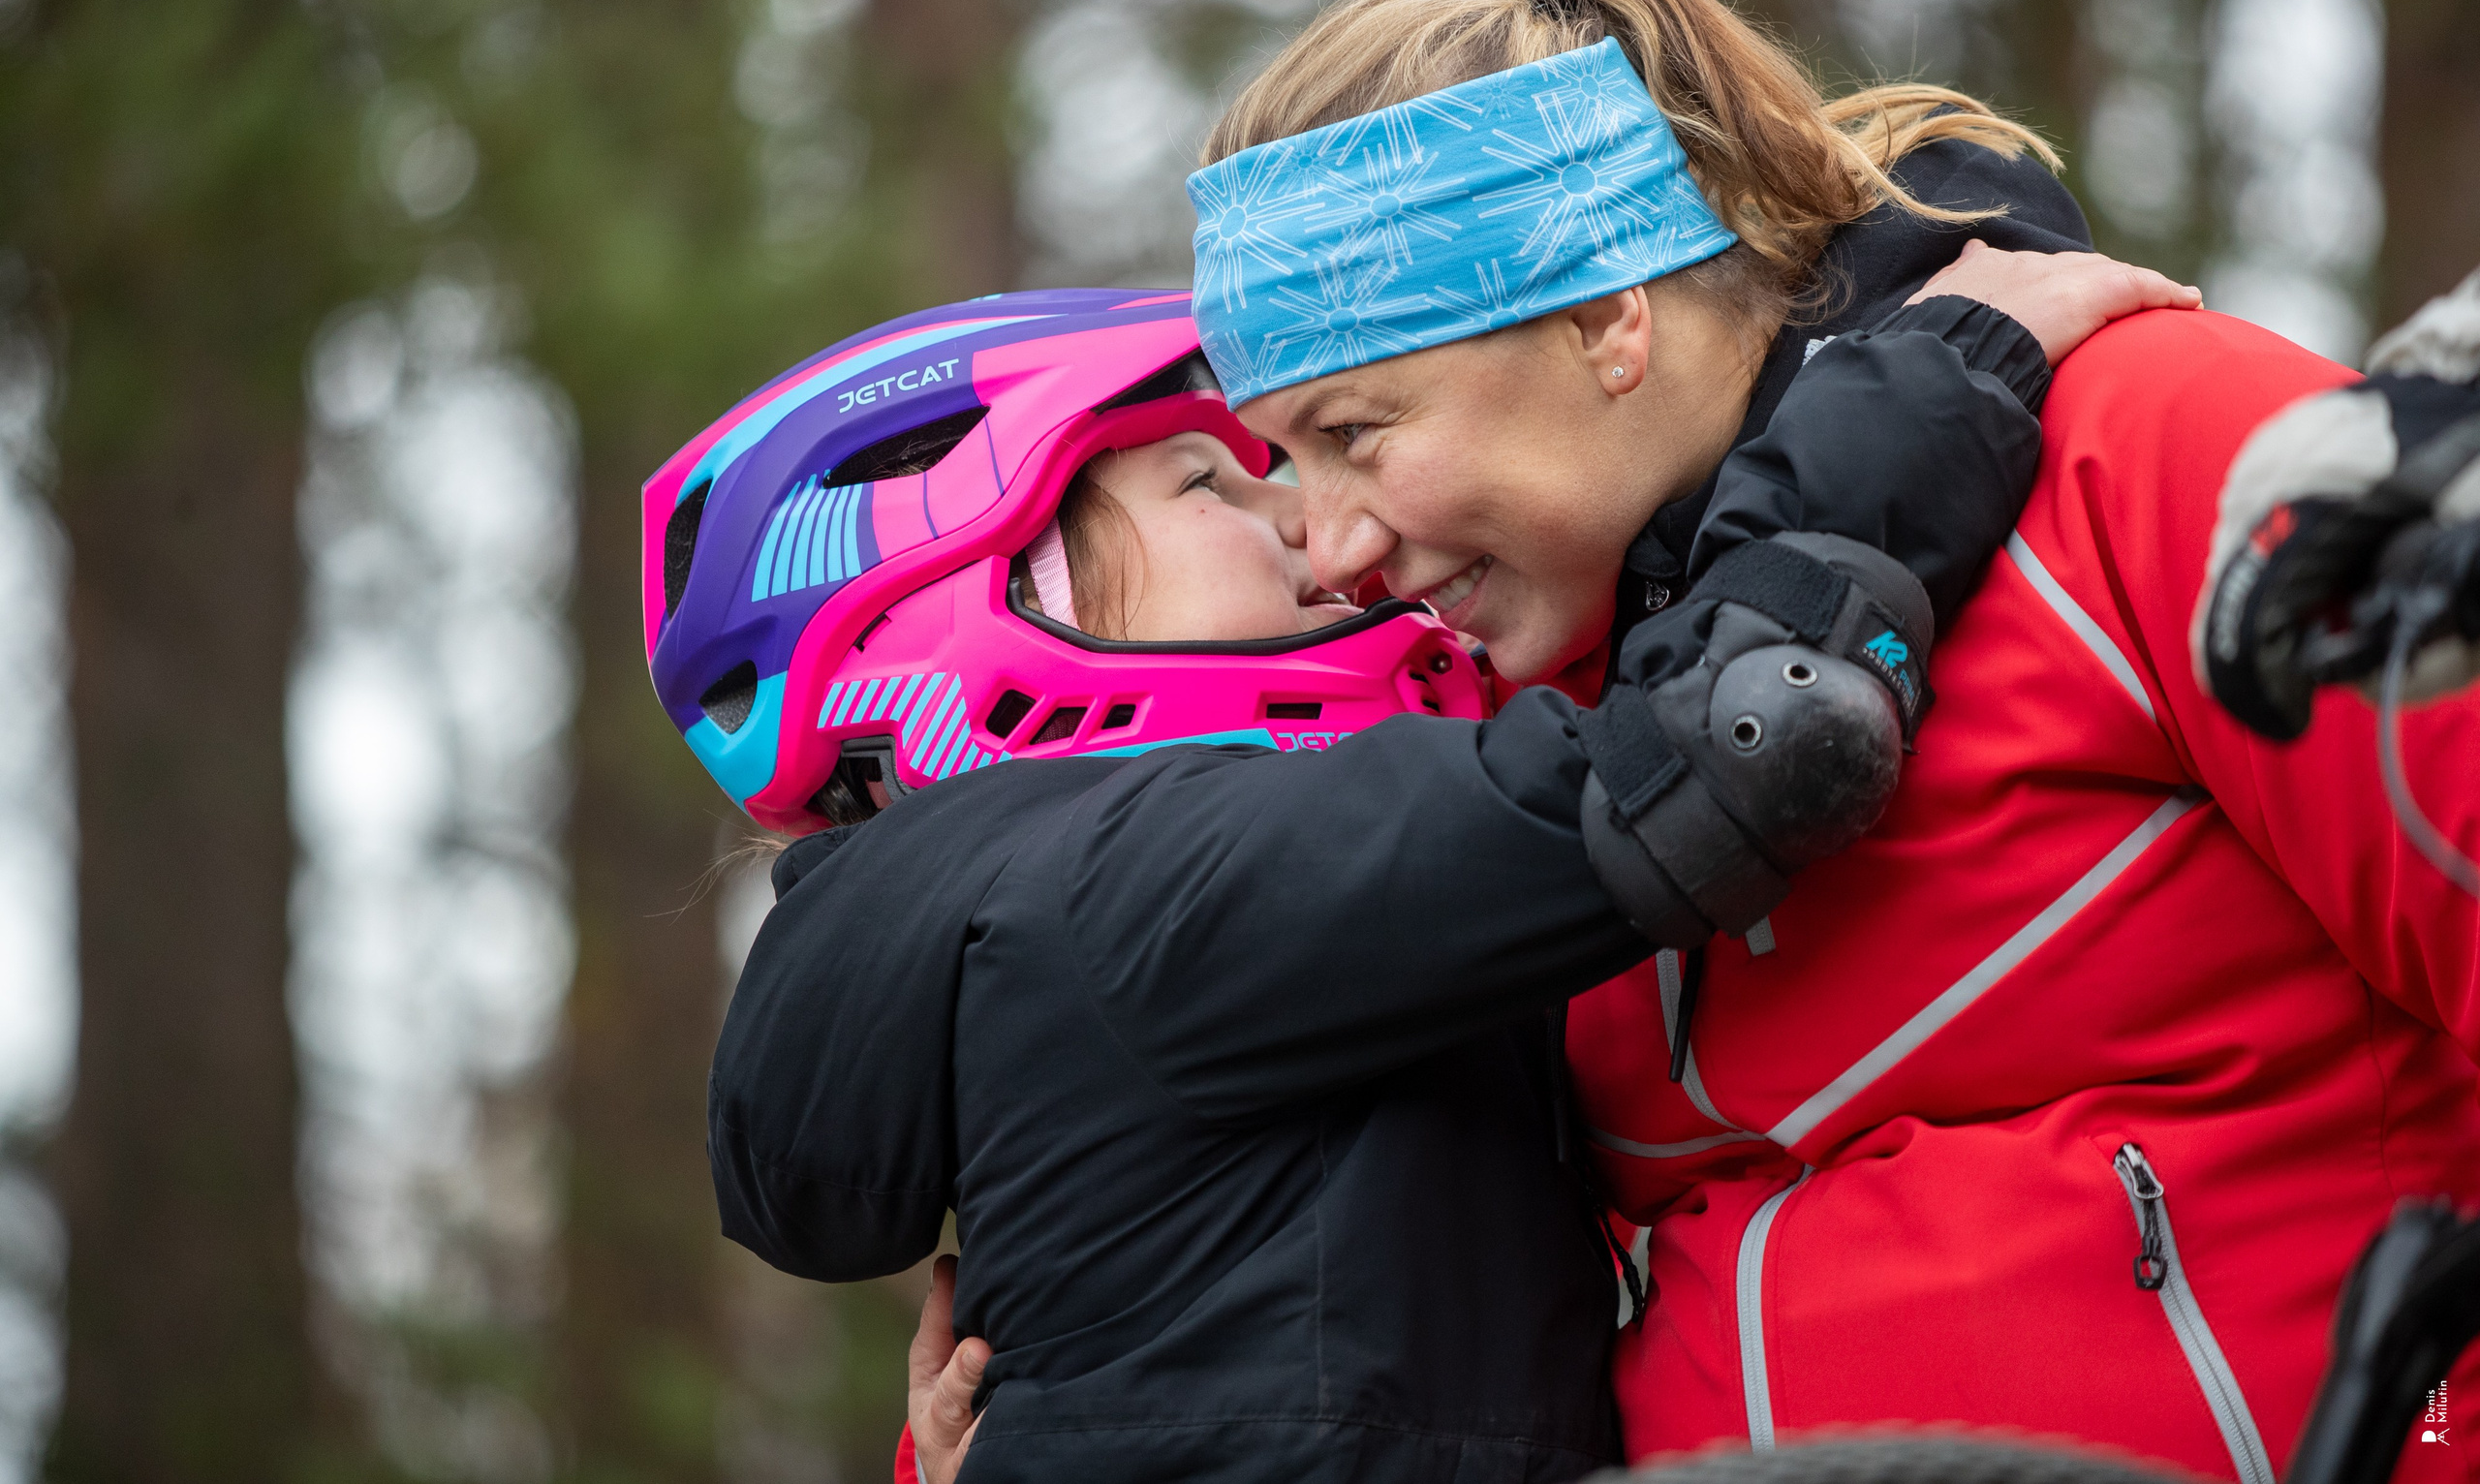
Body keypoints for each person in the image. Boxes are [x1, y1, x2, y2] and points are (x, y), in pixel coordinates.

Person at [1162, 0, 2480, 1483]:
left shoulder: (2151, 451)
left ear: (1605, 320)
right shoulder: (1512, 735)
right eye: (1279, 464)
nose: (1330, 552)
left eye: (1357, 432)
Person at [653, 231, 2165, 1480]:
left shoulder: (1003, 916)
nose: (1318, 539)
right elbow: (1722, 753)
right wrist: (1934, 381)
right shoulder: (1131, 878)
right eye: (1213, 487)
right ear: (1003, 601)